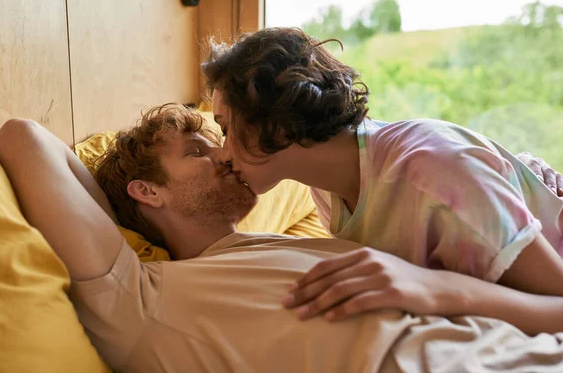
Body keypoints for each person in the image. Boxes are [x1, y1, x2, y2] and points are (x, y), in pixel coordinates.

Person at [0, 104, 563, 372]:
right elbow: (23, 136)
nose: (223, 156)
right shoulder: (139, 298)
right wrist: (121, 218)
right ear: (148, 192)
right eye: (197, 152)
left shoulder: (295, 238)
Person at [203, 27, 563, 326]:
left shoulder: (436, 173)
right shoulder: (328, 189)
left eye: (225, 128)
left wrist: (434, 288)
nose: (221, 153)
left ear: (277, 126)